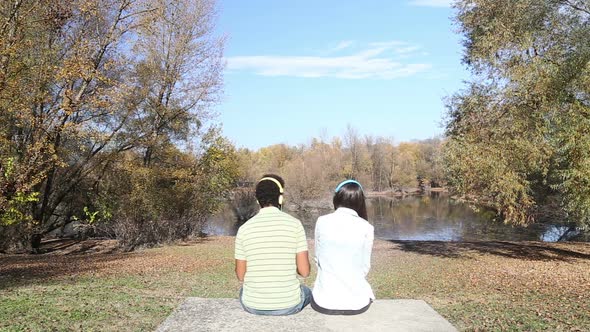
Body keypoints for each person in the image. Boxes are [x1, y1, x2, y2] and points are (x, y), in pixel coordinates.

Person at [234, 174, 312, 315]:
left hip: (252, 305)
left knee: (243, 291)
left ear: (258, 200)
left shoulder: (244, 229)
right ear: (280, 198)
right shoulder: (295, 225)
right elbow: (305, 272)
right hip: (289, 305)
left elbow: (240, 275)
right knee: (307, 292)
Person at [311, 179, 375, 315]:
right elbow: (365, 267)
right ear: (360, 202)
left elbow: (317, 259)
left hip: (323, 301)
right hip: (357, 303)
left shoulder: (321, 222)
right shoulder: (367, 228)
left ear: (336, 199)